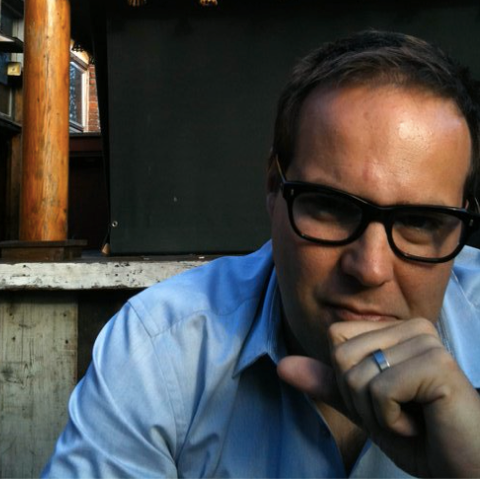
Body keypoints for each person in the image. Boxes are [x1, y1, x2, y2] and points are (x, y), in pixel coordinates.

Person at [42, 30, 480, 478]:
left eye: (420, 222)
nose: (369, 268)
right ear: (274, 188)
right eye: (330, 207)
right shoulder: (158, 350)